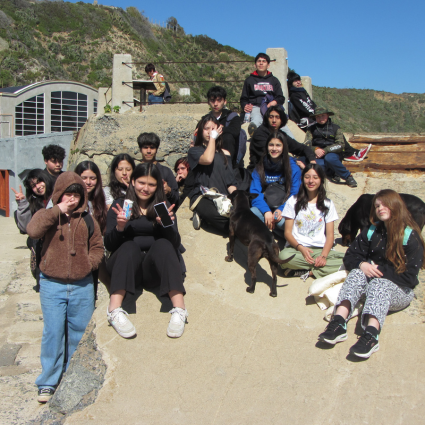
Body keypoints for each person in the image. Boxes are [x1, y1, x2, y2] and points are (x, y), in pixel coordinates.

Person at [318, 189, 425, 359]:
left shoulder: (410, 237)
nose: (380, 208)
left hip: (400, 291)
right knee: (357, 273)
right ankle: (338, 322)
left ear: (396, 206)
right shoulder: (371, 230)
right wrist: (363, 265)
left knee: (378, 283)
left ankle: (371, 335)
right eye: (377, 205)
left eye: (385, 204)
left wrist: (377, 271)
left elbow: (409, 277)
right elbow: (351, 255)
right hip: (371, 283)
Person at [26, 172, 104, 403]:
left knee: (79, 334)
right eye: (67, 194)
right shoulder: (47, 214)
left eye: (76, 195)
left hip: (82, 285)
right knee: (53, 333)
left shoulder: (88, 219)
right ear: (59, 194)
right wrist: (57, 210)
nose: (72, 198)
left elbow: (97, 246)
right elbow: (33, 230)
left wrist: (89, 264)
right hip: (52, 284)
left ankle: (72, 376)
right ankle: (48, 381)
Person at [104, 163, 188, 339]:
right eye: (142, 182)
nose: (146, 188)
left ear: (158, 185)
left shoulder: (161, 206)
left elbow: (175, 243)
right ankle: (114, 309)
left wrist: (165, 224)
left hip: (152, 269)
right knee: (128, 246)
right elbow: (109, 245)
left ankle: (179, 309)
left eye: (151, 184)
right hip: (125, 266)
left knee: (164, 245)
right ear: (133, 181)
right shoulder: (122, 205)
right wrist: (120, 227)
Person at [279, 164, 345, 280]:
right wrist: (301, 249)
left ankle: (309, 272)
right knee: (283, 257)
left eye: (315, 177)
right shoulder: (293, 201)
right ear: (302, 179)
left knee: (349, 260)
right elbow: (287, 233)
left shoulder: (328, 204)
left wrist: (323, 256)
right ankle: (322, 270)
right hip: (297, 249)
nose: (311, 181)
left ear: (321, 180)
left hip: (320, 249)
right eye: (307, 177)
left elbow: (330, 236)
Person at [188, 116, 237, 233]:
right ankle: (201, 214)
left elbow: (230, 181)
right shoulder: (194, 151)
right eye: (206, 128)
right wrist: (213, 138)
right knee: (224, 223)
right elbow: (208, 159)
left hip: (222, 196)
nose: (210, 131)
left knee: (238, 218)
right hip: (203, 195)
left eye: (214, 129)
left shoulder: (225, 153)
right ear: (200, 131)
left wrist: (236, 197)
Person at [250, 132, 301, 237]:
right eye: (271, 145)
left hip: (284, 206)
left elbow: (295, 194)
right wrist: (266, 211)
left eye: (278, 145)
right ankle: (272, 229)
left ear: (284, 147)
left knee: (283, 223)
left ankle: (272, 229)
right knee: (251, 214)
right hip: (266, 205)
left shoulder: (293, 167)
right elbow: (254, 192)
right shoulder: (260, 166)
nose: (274, 148)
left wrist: (281, 209)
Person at [12, 169, 54, 291]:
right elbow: (26, 227)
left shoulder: (59, 196)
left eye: (40, 181)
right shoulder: (33, 203)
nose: (38, 187)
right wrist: (22, 204)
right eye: (33, 186)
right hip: (41, 250)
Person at [303, 107, 366, 187]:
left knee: (330, 158)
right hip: (317, 155)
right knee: (310, 163)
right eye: (318, 116)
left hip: (332, 153)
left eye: (323, 115)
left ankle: (348, 177)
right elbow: (306, 144)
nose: (320, 118)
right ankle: (332, 171)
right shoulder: (311, 129)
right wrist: (315, 149)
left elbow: (340, 144)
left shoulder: (336, 128)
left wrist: (325, 150)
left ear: (328, 115)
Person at [240, 53, 293, 138]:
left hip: (271, 107)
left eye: (264, 61)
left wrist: (273, 103)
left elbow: (281, 98)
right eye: (259, 61)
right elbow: (243, 98)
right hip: (256, 106)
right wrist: (245, 106)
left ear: (268, 65)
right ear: (255, 64)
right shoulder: (249, 80)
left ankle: (295, 143)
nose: (261, 63)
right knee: (257, 119)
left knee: (282, 126)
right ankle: (253, 132)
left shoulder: (274, 80)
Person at [248, 106, 316, 172]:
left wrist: (312, 161)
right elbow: (271, 155)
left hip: (280, 168)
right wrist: (294, 162)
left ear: (282, 120)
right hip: (261, 170)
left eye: (277, 117)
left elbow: (301, 148)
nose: (274, 120)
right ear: (267, 119)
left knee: (305, 161)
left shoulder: (280, 134)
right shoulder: (260, 134)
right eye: (271, 117)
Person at [137, 132, 179, 206]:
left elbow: (176, 199)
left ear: (156, 149)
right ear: (140, 149)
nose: (149, 151)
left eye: (152, 147)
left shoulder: (166, 172)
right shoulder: (135, 170)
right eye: (145, 147)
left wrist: (169, 191)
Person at [203, 86, 241, 167]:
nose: (215, 104)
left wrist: (219, 130)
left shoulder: (232, 117)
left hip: (228, 159)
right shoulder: (204, 119)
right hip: (209, 157)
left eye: (219, 100)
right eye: (212, 100)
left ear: (225, 101)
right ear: (208, 102)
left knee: (228, 137)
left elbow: (235, 131)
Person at [74, 161, 107, 234]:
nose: (88, 182)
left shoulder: (101, 199)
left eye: (92, 178)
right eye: (84, 178)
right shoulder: (67, 198)